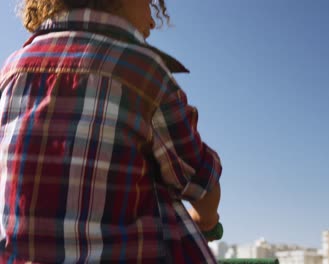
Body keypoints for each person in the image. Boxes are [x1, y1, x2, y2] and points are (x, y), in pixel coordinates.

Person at [0, 0, 222, 263]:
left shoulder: (11, 71)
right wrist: (206, 220)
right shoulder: (143, 70)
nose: (152, 22)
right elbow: (200, 184)